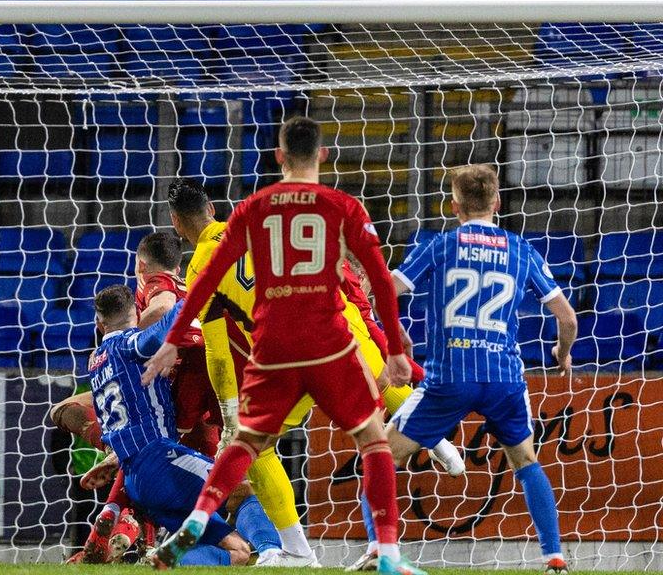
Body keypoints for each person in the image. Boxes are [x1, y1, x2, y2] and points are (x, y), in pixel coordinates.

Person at [144, 115, 425, 575]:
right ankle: (390, 556)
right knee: (373, 441)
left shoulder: (254, 208)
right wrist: (394, 348)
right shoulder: (343, 206)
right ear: (322, 155)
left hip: (272, 348)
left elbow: (206, 281)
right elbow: (377, 277)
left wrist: (173, 339)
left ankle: (197, 521)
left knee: (248, 444)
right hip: (328, 344)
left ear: (278, 157)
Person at [388, 164, 577, 575]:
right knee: (525, 461)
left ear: (453, 204)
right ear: (497, 202)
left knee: (381, 456)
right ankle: (554, 555)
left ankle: (380, 550)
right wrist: (562, 354)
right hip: (504, 379)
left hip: (449, 376)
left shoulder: (439, 245)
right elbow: (567, 318)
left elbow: (384, 289)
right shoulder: (521, 249)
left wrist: (397, 338)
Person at [88, 285, 282, 566]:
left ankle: (159, 562)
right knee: (239, 488)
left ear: (99, 323)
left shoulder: (94, 362)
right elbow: (155, 334)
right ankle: (275, 554)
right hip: (159, 460)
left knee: (238, 553)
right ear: (137, 313)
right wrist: (195, 294)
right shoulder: (129, 346)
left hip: (134, 479)